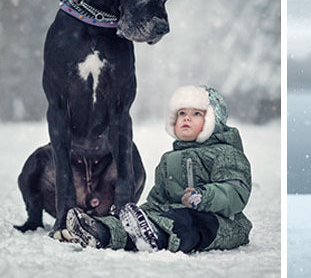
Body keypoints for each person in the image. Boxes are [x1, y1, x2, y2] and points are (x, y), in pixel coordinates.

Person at [65, 85, 252, 253]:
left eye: (196, 114)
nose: (186, 117)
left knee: (187, 221)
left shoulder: (226, 153)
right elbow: (158, 200)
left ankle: (153, 234)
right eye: (181, 113)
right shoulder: (169, 160)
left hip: (221, 223)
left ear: (213, 120)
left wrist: (204, 196)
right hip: (173, 217)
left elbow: (235, 192)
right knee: (152, 218)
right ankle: (99, 231)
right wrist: (141, 214)